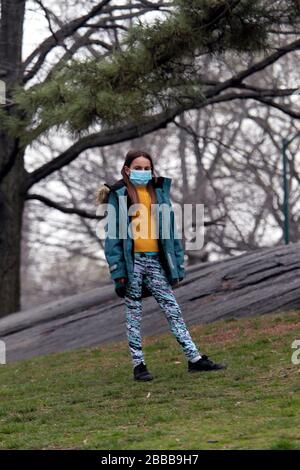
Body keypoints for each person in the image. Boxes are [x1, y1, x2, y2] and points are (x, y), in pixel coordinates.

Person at [96, 149, 226, 381]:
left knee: (173, 310)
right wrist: (118, 272)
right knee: (134, 314)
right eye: (138, 168)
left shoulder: (159, 192)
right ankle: (139, 365)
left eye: (147, 168)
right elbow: (112, 237)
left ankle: (194, 359)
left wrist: (177, 263)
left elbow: (171, 232)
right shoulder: (119, 195)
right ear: (127, 169)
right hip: (132, 264)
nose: (143, 172)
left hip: (155, 262)